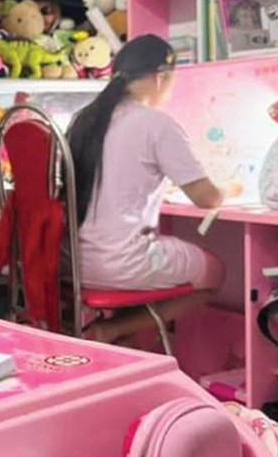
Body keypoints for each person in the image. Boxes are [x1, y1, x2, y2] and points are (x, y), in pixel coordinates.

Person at [67, 34, 226, 345]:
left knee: (153, 261)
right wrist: (230, 188)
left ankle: (119, 334)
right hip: (121, 264)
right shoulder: (155, 123)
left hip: (72, 263)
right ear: (160, 77)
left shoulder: (84, 120)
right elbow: (207, 198)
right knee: (215, 272)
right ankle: (112, 330)